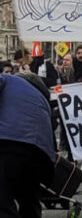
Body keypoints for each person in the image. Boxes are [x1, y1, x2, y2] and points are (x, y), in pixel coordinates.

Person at [0, 73, 55, 217]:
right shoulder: (43, 101)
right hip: (41, 157)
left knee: (3, 201)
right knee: (29, 201)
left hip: (9, 144)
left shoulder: (10, 80)